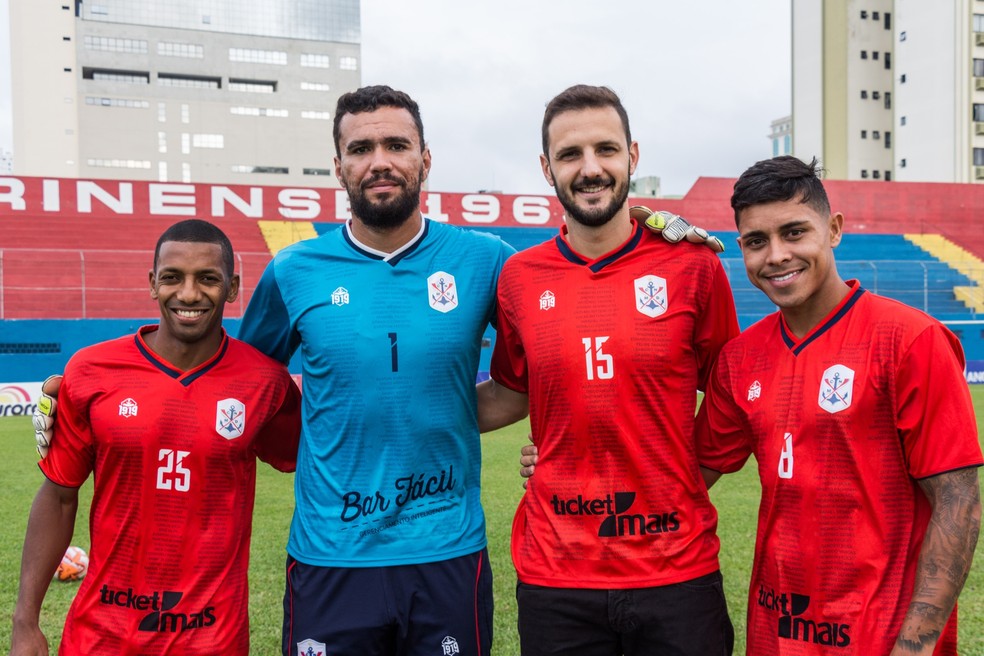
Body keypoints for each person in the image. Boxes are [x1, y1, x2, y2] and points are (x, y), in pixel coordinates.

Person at [479, 84, 739, 655]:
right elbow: (511, 392)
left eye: (606, 149)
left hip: (678, 569)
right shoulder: (519, 279)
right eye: (571, 155)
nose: (590, 168)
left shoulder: (694, 265)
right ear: (547, 168)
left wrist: (683, 479)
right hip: (557, 573)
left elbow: (732, 398)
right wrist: (396, 405)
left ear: (633, 156)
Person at [697, 156, 982, 654]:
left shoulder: (911, 341)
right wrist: (561, 462)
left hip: (879, 634)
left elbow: (959, 503)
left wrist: (914, 646)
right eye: (756, 242)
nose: (777, 255)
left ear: (833, 229)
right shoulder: (739, 359)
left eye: (794, 232)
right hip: (777, 631)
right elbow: (686, 477)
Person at [11, 219, 302, 655]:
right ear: (152, 283)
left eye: (207, 278)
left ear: (233, 287)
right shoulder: (90, 371)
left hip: (212, 637)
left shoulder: (266, 383)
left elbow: (320, 457)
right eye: (172, 277)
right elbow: (58, 496)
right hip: (102, 635)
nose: (188, 294)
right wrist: (25, 621)